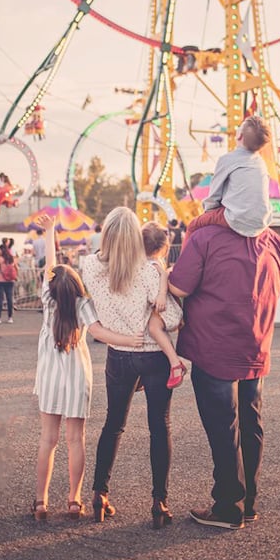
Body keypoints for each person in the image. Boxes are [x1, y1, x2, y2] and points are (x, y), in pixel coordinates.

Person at [168, 222, 280, 529]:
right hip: (256, 344)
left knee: (224, 427)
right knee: (251, 423)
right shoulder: (273, 239)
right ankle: (248, 502)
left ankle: (228, 505)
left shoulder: (205, 237)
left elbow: (180, 286)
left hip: (214, 345)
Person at [32, 213, 143, 521]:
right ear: (78, 287)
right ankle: (74, 500)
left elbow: (51, 269)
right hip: (77, 377)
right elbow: (99, 333)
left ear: (52, 286)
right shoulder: (82, 305)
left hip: (50, 378)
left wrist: (50, 231)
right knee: (75, 440)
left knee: (48, 440)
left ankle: (41, 502)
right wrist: (130, 340)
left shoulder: (48, 300)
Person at [82, 207, 182, 528]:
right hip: (153, 355)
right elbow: (170, 315)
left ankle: (100, 493)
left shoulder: (90, 267)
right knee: (159, 426)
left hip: (118, 354)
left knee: (113, 424)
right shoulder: (147, 271)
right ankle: (159, 501)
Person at [186, 115, 272, 242]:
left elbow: (214, 197)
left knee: (193, 227)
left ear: (239, 136)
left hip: (236, 219)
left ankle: (184, 261)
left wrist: (208, 214)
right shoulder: (261, 163)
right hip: (263, 220)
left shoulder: (227, 159)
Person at [141, 221, 185, 389]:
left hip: (164, 310)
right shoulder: (152, 262)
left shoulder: (153, 264)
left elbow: (164, 276)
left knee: (153, 328)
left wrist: (160, 295)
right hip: (163, 309)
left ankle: (175, 363)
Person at [0, 243, 18, 323]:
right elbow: (16, 268)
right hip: (10, 281)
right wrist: (15, 276)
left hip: (0, 280)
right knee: (9, 299)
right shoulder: (12, 258)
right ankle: (10, 317)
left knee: (0, 299)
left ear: (1, 250)